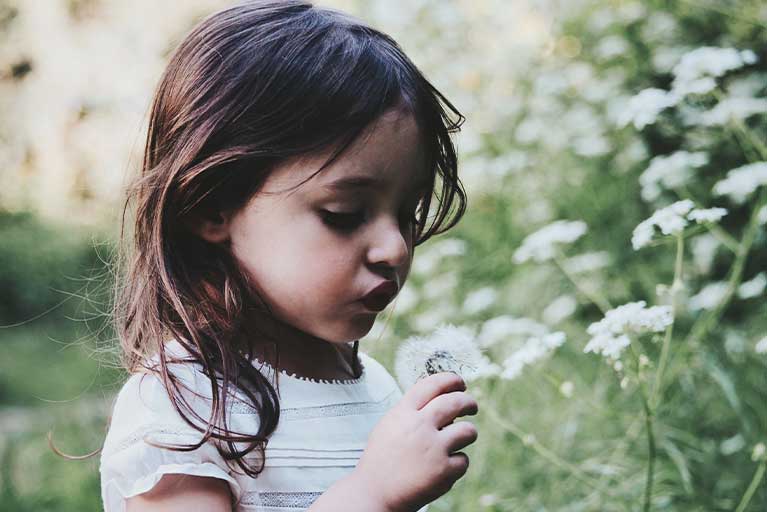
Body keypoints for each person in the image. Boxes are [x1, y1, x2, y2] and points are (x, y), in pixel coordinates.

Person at [99, 1, 479, 511]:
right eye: (344, 213)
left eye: (408, 212)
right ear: (212, 205)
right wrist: (371, 495)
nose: (395, 248)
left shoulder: (378, 390)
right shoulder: (181, 412)